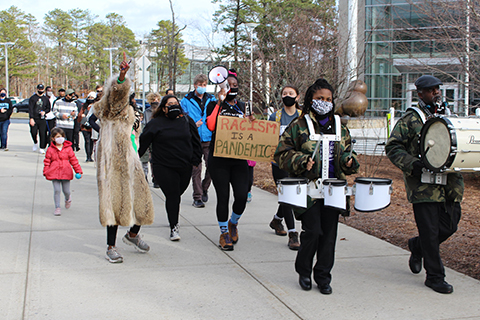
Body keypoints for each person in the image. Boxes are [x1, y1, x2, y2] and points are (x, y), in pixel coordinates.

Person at [274, 78, 359, 294]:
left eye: (329, 99)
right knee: (312, 231)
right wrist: (302, 161)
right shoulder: (299, 125)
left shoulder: (341, 126)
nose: (325, 102)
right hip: (309, 191)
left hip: (334, 190)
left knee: (329, 235)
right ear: (311, 99)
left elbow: (349, 152)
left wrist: (349, 161)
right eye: (320, 98)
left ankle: (323, 276)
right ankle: (303, 270)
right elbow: (281, 154)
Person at [385, 75, 463, 294]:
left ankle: (416, 246)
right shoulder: (411, 119)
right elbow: (393, 147)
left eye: (438, 89)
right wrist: (413, 165)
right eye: (431, 90)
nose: (436, 93)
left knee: (449, 226)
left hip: (449, 183)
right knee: (429, 231)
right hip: (423, 186)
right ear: (420, 93)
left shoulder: (449, 117)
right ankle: (435, 276)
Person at [95, 53, 154, 263]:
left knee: (143, 200)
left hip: (132, 160)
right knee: (114, 204)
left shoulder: (132, 112)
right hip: (112, 163)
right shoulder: (110, 111)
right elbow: (116, 96)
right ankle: (111, 246)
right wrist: (121, 77)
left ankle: (132, 234)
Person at [139, 95, 202, 241]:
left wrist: (196, 160)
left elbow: (195, 141)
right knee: (173, 195)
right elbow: (144, 141)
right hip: (164, 166)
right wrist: (136, 158)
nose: (173, 106)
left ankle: (172, 213)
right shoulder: (156, 123)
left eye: (175, 103)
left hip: (184, 165)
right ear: (164, 108)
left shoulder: (187, 121)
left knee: (177, 194)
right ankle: (174, 227)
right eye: (169, 104)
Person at [206, 68, 253, 251]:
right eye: (228, 85)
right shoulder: (214, 104)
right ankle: (224, 233)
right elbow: (211, 126)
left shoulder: (243, 106)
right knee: (223, 197)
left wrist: (252, 122)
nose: (232, 88)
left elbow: (251, 131)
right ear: (222, 87)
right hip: (219, 159)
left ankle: (233, 222)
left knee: (241, 196)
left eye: (235, 85)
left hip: (238, 158)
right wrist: (220, 102)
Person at [268, 85, 302, 250]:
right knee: (287, 195)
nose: (287, 96)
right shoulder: (275, 117)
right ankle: (293, 233)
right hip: (279, 163)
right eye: (284, 93)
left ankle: (277, 220)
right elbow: (266, 138)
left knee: (289, 197)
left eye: (291, 93)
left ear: (298, 97)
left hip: (299, 164)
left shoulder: (304, 117)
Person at [181, 74, 216, 208]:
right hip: (193, 139)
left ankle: (204, 187)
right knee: (196, 169)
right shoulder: (186, 101)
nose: (202, 87)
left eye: (204, 85)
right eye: (200, 84)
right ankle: (197, 197)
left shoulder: (211, 99)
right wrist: (192, 125)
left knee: (212, 166)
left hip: (209, 138)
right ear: (195, 85)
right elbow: (181, 118)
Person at [43, 127, 83, 216]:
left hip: (66, 172)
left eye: (61, 136)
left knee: (66, 191)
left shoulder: (68, 149)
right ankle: (57, 207)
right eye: (57, 137)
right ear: (53, 138)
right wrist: (46, 171)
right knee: (57, 190)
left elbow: (73, 160)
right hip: (54, 172)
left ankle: (68, 198)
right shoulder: (50, 149)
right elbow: (47, 161)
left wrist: (78, 171)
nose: (60, 138)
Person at [28, 84, 51, 153]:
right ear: (37, 89)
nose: (41, 91)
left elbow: (48, 108)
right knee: (33, 132)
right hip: (34, 118)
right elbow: (30, 109)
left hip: (42, 118)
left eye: (42, 89)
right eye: (39, 89)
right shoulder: (33, 98)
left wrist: (44, 112)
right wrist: (31, 118)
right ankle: (35, 142)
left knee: (43, 133)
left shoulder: (46, 99)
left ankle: (42, 147)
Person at [78, 92, 96, 162]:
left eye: (92, 98)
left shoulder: (95, 106)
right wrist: (81, 116)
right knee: (87, 140)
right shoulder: (84, 106)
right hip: (84, 126)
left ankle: (91, 155)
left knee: (91, 142)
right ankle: (88, 156)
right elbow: (80, 114)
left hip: (92, 126)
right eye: (89, 97)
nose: (90, 99)